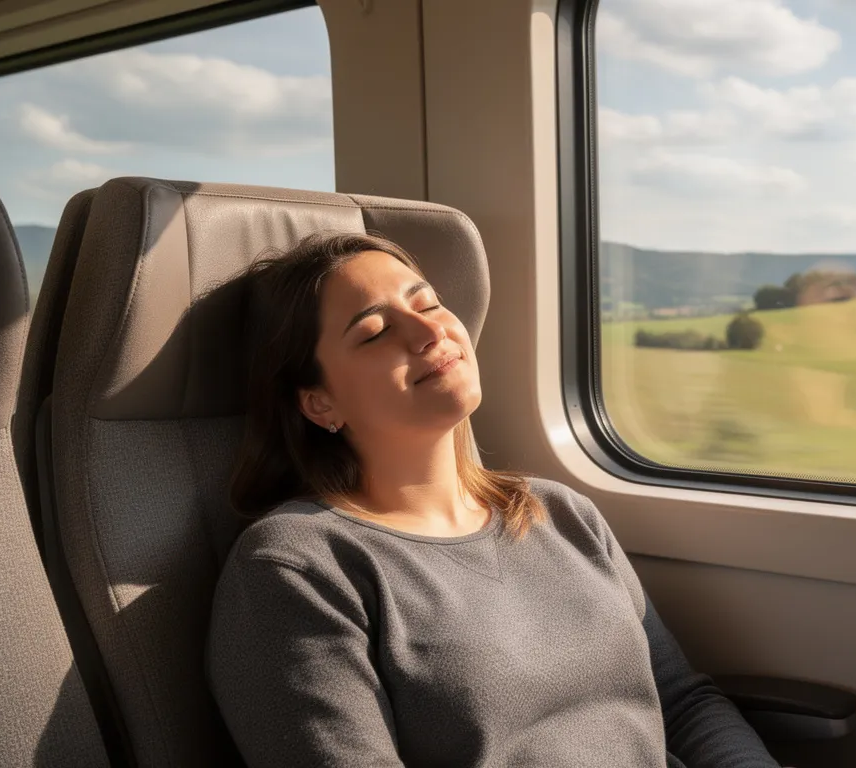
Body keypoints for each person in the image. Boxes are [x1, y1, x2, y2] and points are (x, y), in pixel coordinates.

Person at [206, 232, 779, 767]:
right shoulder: (297, 566)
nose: (429, 332)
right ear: (319, 403)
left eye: (429, 304)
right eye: (375, 331)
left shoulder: (560, 513)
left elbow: (681, 703)